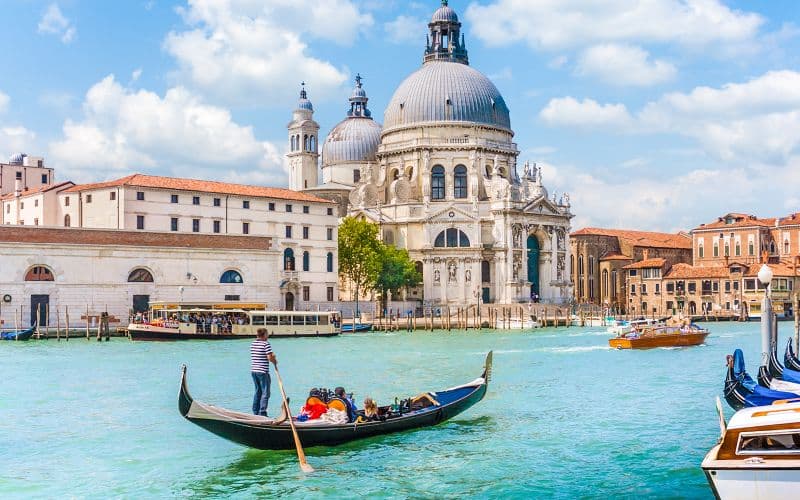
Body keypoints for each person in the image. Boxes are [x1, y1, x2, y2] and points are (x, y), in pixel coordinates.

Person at [251, 328, 277, 416]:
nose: (268, 336)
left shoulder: (253, 344)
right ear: (264, 335)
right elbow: (269, 358)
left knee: (258, 391)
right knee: (266, 392)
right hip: (262, 371)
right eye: (267, 334)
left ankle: (255, 411)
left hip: (254, 371)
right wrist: (274, 360)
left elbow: (261, 355)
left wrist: (271, 356)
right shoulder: (266, 344)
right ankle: (262, 412)